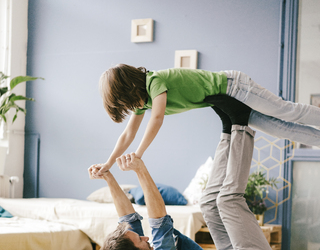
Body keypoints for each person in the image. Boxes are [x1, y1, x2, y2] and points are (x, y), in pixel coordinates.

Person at [89, 103, 283, 250]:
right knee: (228, 200)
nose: (145, 238)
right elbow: (159, 221)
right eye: (140, 239)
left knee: (208, 202)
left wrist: (108, 178)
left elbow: (128, 219)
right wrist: (140, 169)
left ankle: (228, 129)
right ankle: (242, 124)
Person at [89, 64, 320, 176]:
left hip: (234, 87)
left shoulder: (154, 81)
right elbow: (127, 134)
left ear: (131, 87)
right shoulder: (144, 101)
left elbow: (157, 119)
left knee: (285, 111)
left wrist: (138, 155)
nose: (132, 109)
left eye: (128, 102)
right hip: (227, 101)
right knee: (280, 129)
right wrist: (108, 163)